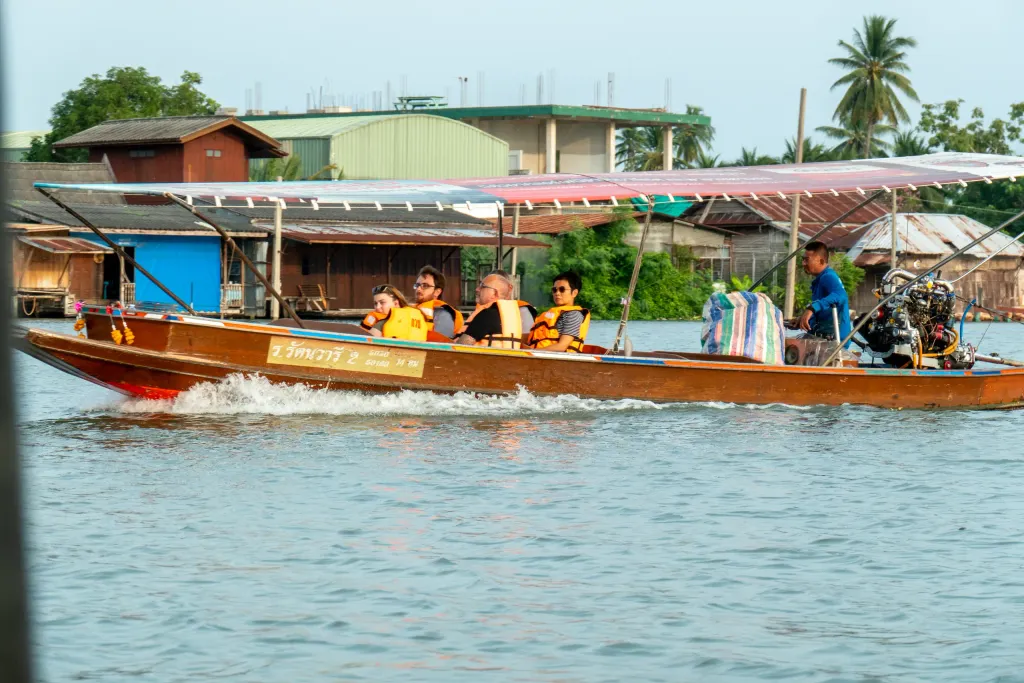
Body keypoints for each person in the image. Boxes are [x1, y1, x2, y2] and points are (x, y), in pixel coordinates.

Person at [456, 271, 537, 348]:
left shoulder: (487, 315)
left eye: (482, 286)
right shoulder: (514, 316)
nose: (477, 289)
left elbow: (461, 346)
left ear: (495, 293)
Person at [796, 241, 851, 346]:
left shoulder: (828, 276)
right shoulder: (819, 280)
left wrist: (812, 308)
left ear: (821, 261)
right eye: (803, 259)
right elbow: (824, 313)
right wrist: (802, 320)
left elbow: (840, 295)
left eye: (806, 260)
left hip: (835, 344)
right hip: (822, 339)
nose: (803, 263)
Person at [526, 271, 591, 352]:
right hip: (538, 356)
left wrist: (530, 352)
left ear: (574, 293)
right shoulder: (550, 314)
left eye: (562, 289)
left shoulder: (573, 315)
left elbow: (561, 347)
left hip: (559, 360)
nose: (557, 293)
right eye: (554, 290)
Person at [411, 265, 463, 339]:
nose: (418, 289)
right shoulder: (410, 310)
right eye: (417, 285)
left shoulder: (443, 314)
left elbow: (441, 346)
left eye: (425, 285)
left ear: (437, 292)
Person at [360, 284, 427, 341]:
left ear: (396, 303)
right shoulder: (419, 317)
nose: (377, 307)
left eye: (382, 302)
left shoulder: (382, 324)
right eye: (375, 303)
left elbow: (364, 345)